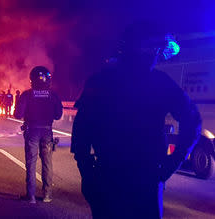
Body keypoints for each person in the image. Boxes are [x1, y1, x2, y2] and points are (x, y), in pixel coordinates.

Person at [71, 23, 201, 219]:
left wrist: (87, 171)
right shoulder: (160, 82)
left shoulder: (101, 80)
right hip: (134, 177)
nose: (154, 54)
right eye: (151, 48)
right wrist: (171, 164)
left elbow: (82, 129)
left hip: (119, 175)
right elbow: (192, 121)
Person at [14, 66, 63, 204]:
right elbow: (58, 115)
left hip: (32, 132)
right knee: (47, 163)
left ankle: (31, 196)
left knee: (31, 163)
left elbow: (18, 114)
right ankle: (47, 195)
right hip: (47, 132)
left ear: (32, 80)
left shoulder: (27, 94)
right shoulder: (53, 95)